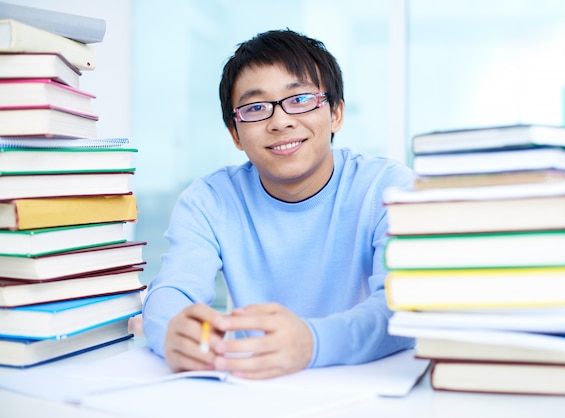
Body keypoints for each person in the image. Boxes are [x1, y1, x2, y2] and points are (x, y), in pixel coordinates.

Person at [142, 28, 415, 380]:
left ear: (335, 114)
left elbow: (401, 307)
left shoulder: (388, 188)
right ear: (235, 133)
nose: (280, 121)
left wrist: (312, 342)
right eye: (256, 108)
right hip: (248, 388)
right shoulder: (209, 199)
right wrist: (172, 334)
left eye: (300, 99)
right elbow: (173, 290)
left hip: (369, 383)